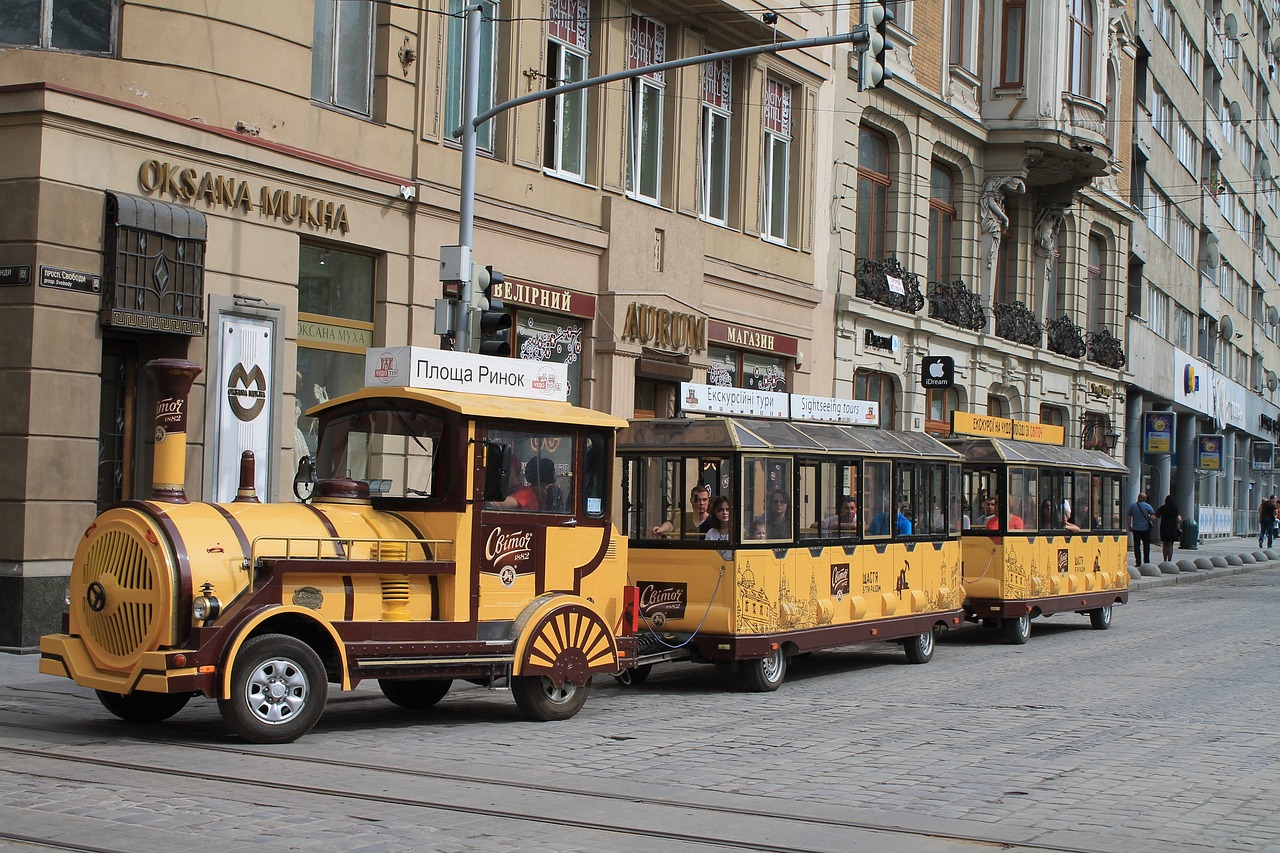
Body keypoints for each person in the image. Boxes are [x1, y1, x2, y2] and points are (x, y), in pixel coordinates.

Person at [1128, 492, 1155, 566]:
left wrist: (1129, 526)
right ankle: (1146, 561)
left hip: (1136, 528)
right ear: (1145, 499)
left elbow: (1129, 516)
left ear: (1138, 498)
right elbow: (1153, 516)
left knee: (1136, 546)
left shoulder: (1132, 506)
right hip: (1145, 528)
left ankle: (1138, 562)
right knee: (1146, 545)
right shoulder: (1148, 506)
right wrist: (1149, 517)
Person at [1154, 494, 1182, 562]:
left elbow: (1155, 516)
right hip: (1172, 527)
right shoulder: (1175, 508)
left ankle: (1164, 559)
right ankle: (1169, 559)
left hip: (1164, 527)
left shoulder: (1163, 508)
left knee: (1165, 544)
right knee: (1170, 544)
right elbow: (1179, 518)